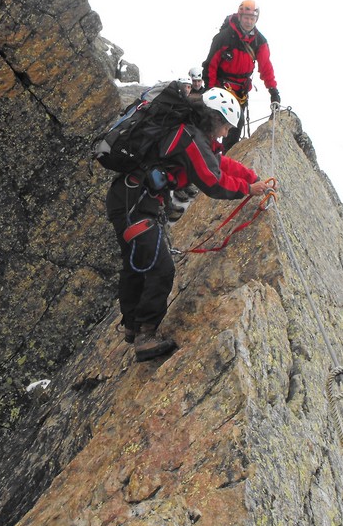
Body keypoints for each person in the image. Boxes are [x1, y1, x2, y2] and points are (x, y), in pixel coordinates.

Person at [106, 87, 271, 361]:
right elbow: (212, 181)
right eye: (226, 126)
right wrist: (248, 189)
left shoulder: (191, 133)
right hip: (135, 204)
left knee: (138, 264)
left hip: (130, 198)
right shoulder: (190, 138)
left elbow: (218, 163)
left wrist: (251, 178)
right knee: (160, 268)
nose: (226, 133)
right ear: (214, 118)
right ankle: (145, 335)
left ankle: (133, 326)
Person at [202, 0, 280, 148]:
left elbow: (266, 67)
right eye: (246, 18)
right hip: (221, 88)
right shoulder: (223, 37)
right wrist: (210, 90)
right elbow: (210, 66)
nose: (249, 22)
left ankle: (225, 155)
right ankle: (209, 152)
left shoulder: (259, 41)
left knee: (234, 126)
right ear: (240, 17)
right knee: (214, 125)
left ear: (256, 19)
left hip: (240, 92)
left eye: (252, 19)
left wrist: (273, 90)